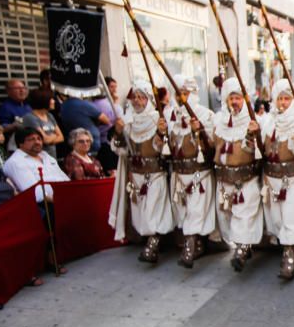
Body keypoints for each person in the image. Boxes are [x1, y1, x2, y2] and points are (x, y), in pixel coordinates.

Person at [111, 80, 175, 264]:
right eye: (134, 97)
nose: (137, 100)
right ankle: (151, 241)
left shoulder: (157, 118)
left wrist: (161, 133)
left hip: (155, 173)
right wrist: (118, 133)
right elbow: (121, 149)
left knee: (153, 209)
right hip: (136, 175)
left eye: (141, 97)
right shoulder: (127, 120)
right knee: (140, 212)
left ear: (149, 99)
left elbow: (163, 148)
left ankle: (153, 244)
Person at [261, 79, 294, 280]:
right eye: (280, 98)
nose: (283, 102)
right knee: (278, 218)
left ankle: (289, 255)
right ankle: (286, 249)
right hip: (272, 179)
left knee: (292, 216)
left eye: (287, 98)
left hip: (291, 180)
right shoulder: (267, 121)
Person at [213, 78, 263, 271]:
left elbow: (256, 151)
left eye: (238, 98)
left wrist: (252, 135)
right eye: (231, 98)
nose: (234, 102)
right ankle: (243, 244)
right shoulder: (218, 122)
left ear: (244, 99)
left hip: (245, 180)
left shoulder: (253, 122)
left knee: (245, 215)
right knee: (226, 215)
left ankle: (241, 251)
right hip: (224, 180)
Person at [166, 75, 216, 268]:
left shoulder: (206, 114)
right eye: (179, 94)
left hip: (198, 172)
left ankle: (189, 246)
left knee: (196, 210)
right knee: (184, 210)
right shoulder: (171, 116)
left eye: (185, 93)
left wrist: (200, 130)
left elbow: (212, 147)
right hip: (179, 174)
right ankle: (197, 243)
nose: (181, 98)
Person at [3, 127, 69, 204]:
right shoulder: (15, 162)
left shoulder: (45, 155)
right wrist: (63, 202)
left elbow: (64, 178)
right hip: (46, 205)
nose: (37, 142)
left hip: (65, 198)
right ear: (20, 143)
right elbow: (36, 193)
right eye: (31, 139)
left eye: (39, 139)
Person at [21, 88, 65, 159]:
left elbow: (61, 137)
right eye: (51, 99)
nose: (54, 101)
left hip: (52, 156)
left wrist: (50, 137)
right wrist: (54, 135)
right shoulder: (30, 117)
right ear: (43, 100)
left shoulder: (50, 115)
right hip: (39, 157)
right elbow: (44, 140)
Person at [0, 78, 31, 148]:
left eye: (23, 88)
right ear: (8, 91)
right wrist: (14, 126)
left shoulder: (28, 105)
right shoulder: (5, 107)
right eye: (18, 88)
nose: (22, 91)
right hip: (16, 145)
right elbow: (1, 128)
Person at [92, 78, 120, 172]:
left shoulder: (111, 104)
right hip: (104, 141)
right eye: (111, 87)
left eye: (115, 87)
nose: (114, 90)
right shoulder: (99, 105)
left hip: (111, 142)